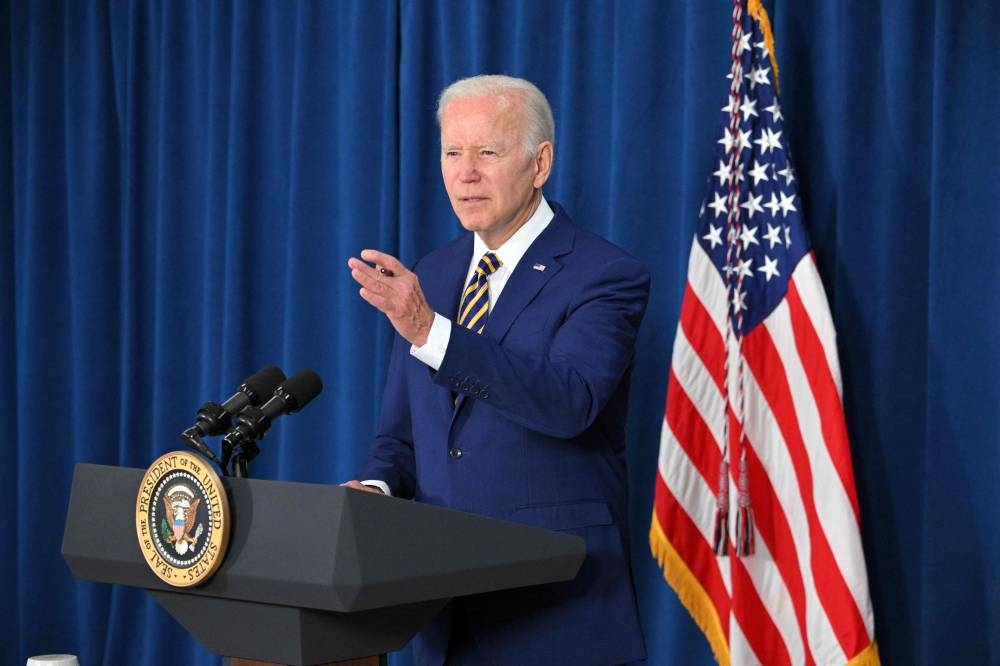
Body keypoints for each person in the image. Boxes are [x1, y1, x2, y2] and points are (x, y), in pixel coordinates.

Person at [345, 75, 648, 666]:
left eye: (488, 152)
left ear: (540, 163)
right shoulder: (430, 275)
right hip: (442, 612)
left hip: (557, 611)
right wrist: (374, 490)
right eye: (452, 153)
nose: (466, 173)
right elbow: (401, 437)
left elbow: (570, 401)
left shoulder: (604, 274)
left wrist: (433, 333)